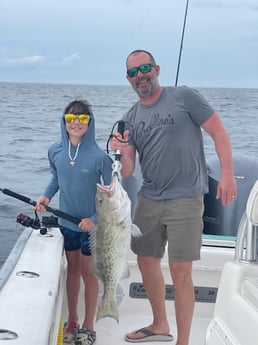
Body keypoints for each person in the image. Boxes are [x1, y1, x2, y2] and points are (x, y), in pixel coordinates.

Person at [110, 49, 237, 345]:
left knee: (181, 269)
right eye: (133, 72)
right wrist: (119, 148)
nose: (140, 76)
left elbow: (219, 132)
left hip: (186, 197)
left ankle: (183, 341)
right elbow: (127, 171)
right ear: (128, 78)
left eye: (144, 68)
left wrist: (228, 173)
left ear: (156, 68)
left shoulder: (184, 97)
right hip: (149, 198)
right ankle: (159, 323)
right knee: (145, 261)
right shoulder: (129, 117)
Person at [34, 100, 113, 345]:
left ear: (90, 123)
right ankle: (73, 319)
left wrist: (95, 219)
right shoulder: (55, 151)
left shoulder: (101, 158)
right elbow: (57, 177)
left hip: (91, 227)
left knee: (89, 275)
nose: (76, 123)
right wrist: (46, 196)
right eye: (71, 119)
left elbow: (112, 198)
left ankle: (89, 324)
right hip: (67, 224)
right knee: (73, 271)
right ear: (64, 122)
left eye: (82, 119)